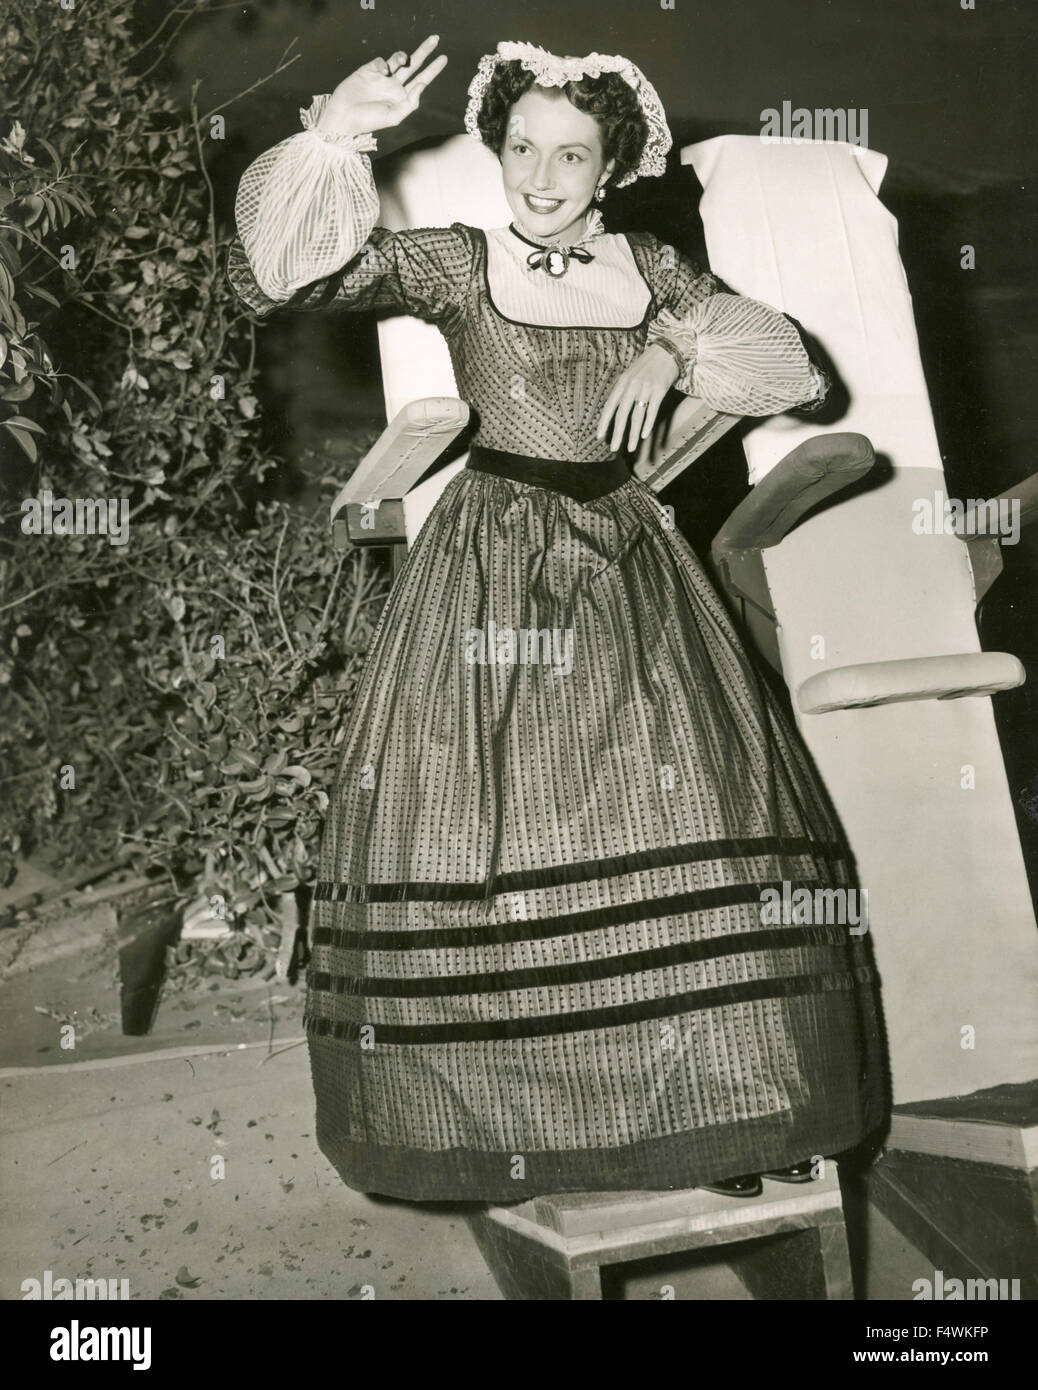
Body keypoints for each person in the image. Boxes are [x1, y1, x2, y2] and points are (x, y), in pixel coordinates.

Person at [227, 36, 885, 1203]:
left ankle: (724, 1112)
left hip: (630, 558)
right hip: (492, 561)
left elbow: (797, 377)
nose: (541, 175)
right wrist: (334, 133)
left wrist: (675, 346)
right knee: (497, 832)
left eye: (570, 152)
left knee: (690, 804)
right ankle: (517, 1124)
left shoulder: (652, 265)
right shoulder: (458, 263)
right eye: (522, 147)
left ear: (612, 160)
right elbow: (279, 280)